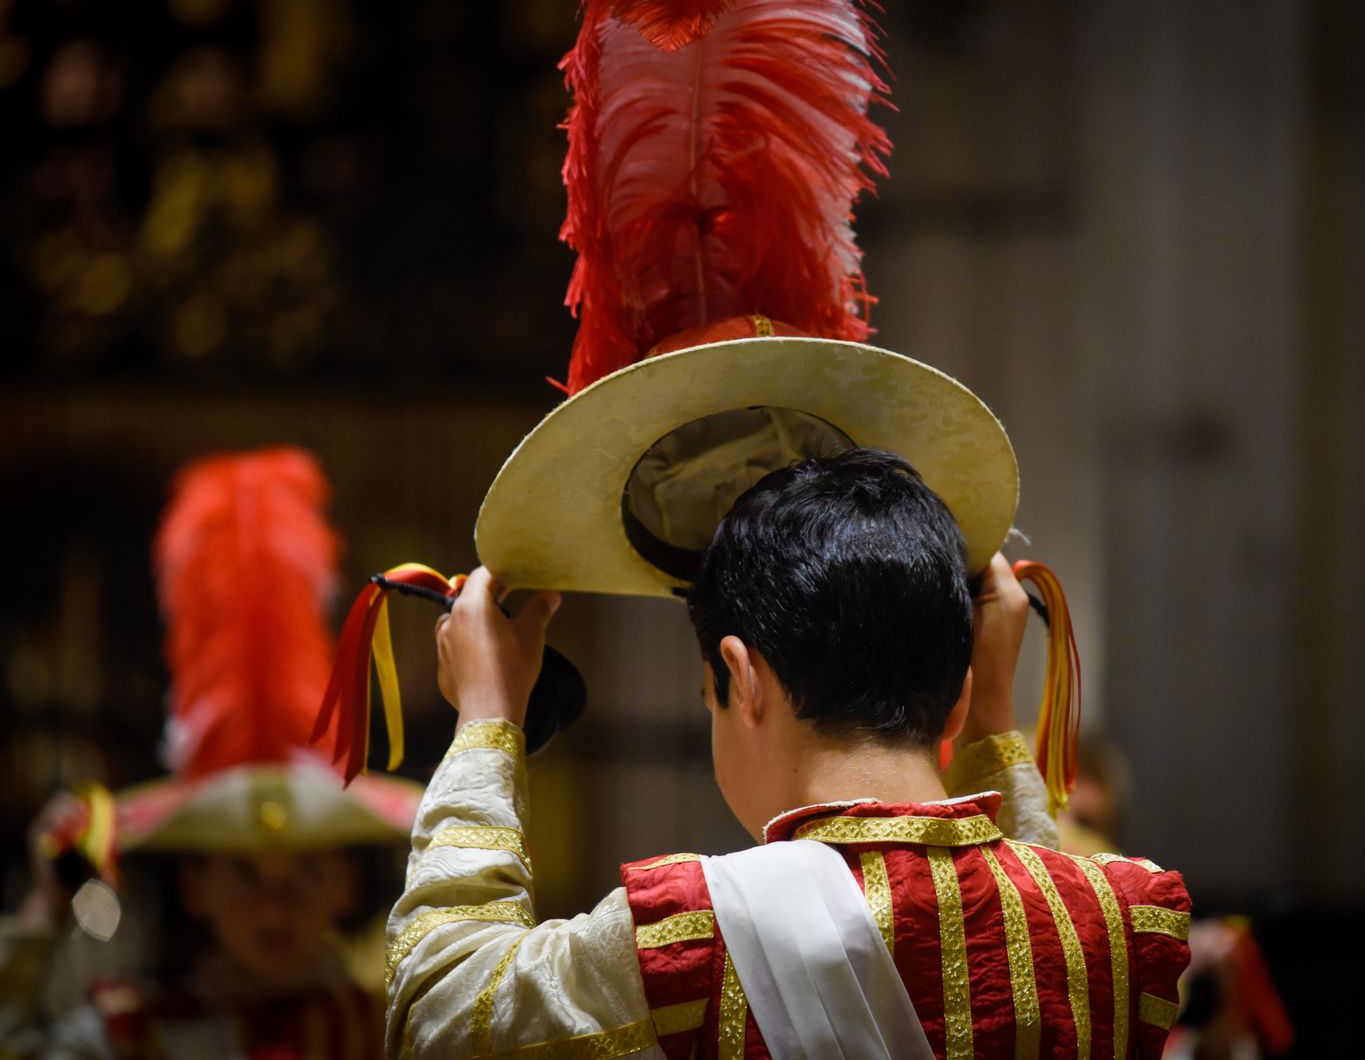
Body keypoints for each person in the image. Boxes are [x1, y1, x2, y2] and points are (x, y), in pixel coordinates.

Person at [387, 450, 1190, 1058]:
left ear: (740, 676)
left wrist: (486, 719)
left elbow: (439, 1012)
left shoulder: (688, 933)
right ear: (957, 692)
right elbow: (1027, 921)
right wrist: (991, 723)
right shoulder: (1124, 921)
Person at [0, 447, 419, 1059]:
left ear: (345, 885)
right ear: (197, 886)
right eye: (243, 874)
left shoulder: (399, 1035)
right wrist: (44, 908)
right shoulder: (130, 1035)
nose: (273, 907)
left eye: (305, 873)